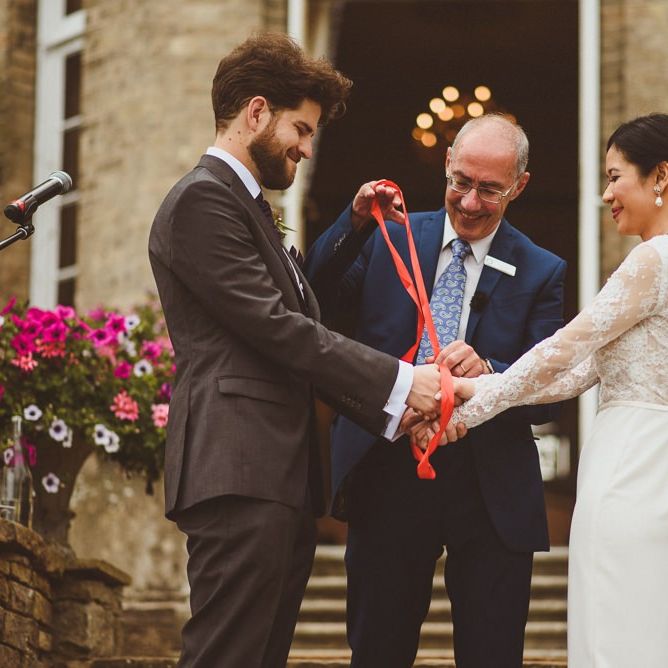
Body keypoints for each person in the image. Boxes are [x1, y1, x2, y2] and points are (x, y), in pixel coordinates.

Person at [148, 33, 441, 668]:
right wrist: (401, 384)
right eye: (301, 130)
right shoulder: (204, 199)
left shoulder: (244, 205)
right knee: (228, 655)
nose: (307, 150)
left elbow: (300, 304)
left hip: (274, 474)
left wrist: (355, 224)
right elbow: (278, 328)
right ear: (257, 112)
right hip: (239, 468)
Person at [304, 114, 567, 668]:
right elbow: (312, 299)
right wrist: (353, 222)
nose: (470, 202)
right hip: (387, 472)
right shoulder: (389, 238)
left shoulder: (543, 271)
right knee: (378, 650)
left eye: (490, 189)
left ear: (519, 185)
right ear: (446, 163)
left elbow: (554, 392)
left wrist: (492, 371)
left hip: (489, 488)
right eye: (461, 182)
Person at [429, 112, 668, 667]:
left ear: (660, 176)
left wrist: (465, 408)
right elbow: (574, 376)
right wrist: (475, 387)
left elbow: (564, 348)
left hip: (633, 467)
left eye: (615, 177)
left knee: (615, 623)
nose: (606, 194)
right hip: (650, 462)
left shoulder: (652, 260)